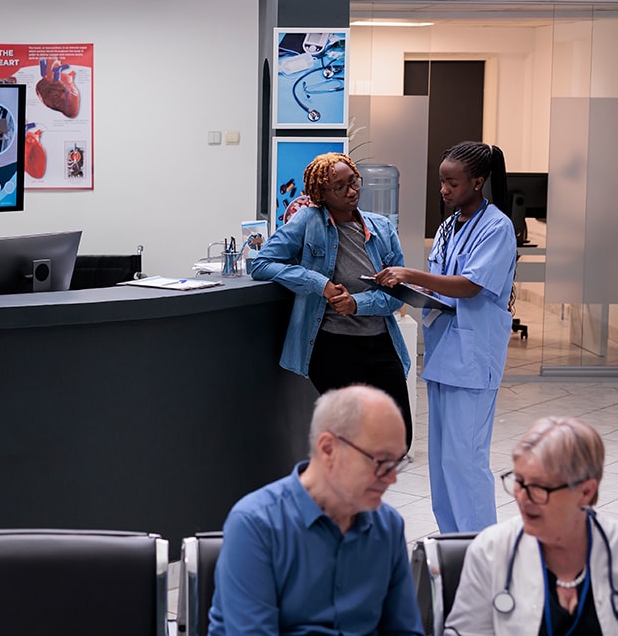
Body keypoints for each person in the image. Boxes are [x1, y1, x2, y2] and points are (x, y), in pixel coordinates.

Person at [374, 141, 517, 533]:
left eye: (452, 183)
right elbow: (442, 289)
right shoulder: (448, 227)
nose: (444, 190)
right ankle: (451, 542)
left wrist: (410, 275)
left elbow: (470, 286)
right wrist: (406, 291)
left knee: (465, 460)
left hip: (472, 358)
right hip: (443, 352)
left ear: (478, 181)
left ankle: (479, 548)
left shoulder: (497, 227)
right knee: (440, 462)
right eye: (441, 182)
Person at [208, 385, 423, 636]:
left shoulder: (388, 527)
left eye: (397, 462)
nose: (391, 479)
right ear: (328, 449)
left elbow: (405, 630)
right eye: (381, 462)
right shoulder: (256, 525)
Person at [445, 417, 618, 636]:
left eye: (540, 488)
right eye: (519, 481)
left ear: (586, 491)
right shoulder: (491, 551)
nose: (523, 497)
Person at [251, 152, 414, 449]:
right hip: (332, 346)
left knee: (398, 437)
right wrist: (318, 283)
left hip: (379, 342)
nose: (351, 191)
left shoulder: (382, 229)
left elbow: (395, 297)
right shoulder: (308, 222)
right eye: (339, 187)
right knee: (352, 441)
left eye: (353, 181)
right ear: (320, 194)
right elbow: (261, 264)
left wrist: (357, 304)